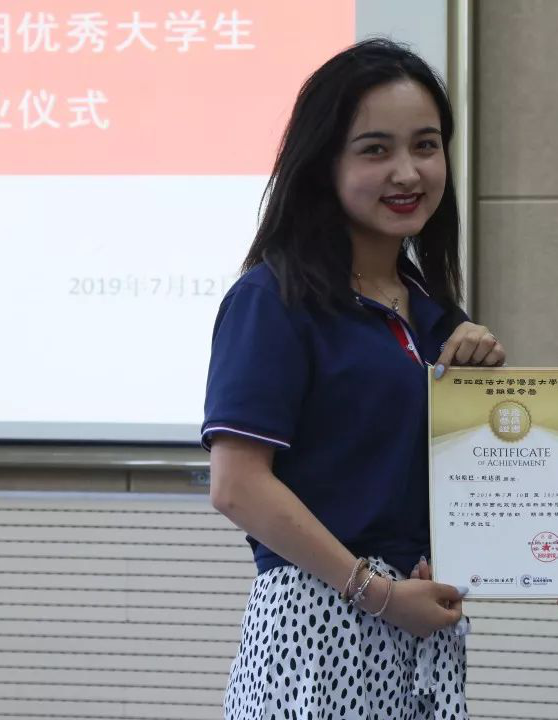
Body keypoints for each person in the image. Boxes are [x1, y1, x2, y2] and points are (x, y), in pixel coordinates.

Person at [204, 39, 504, 720]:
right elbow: (237, 485)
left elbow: (453, 491)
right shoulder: (273, 298)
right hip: (317, 623)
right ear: (325, 164)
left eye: (426, 146)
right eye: (375, 150)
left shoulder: (436, 314)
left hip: (420, 628)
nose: (408, 172)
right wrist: (378, 593)